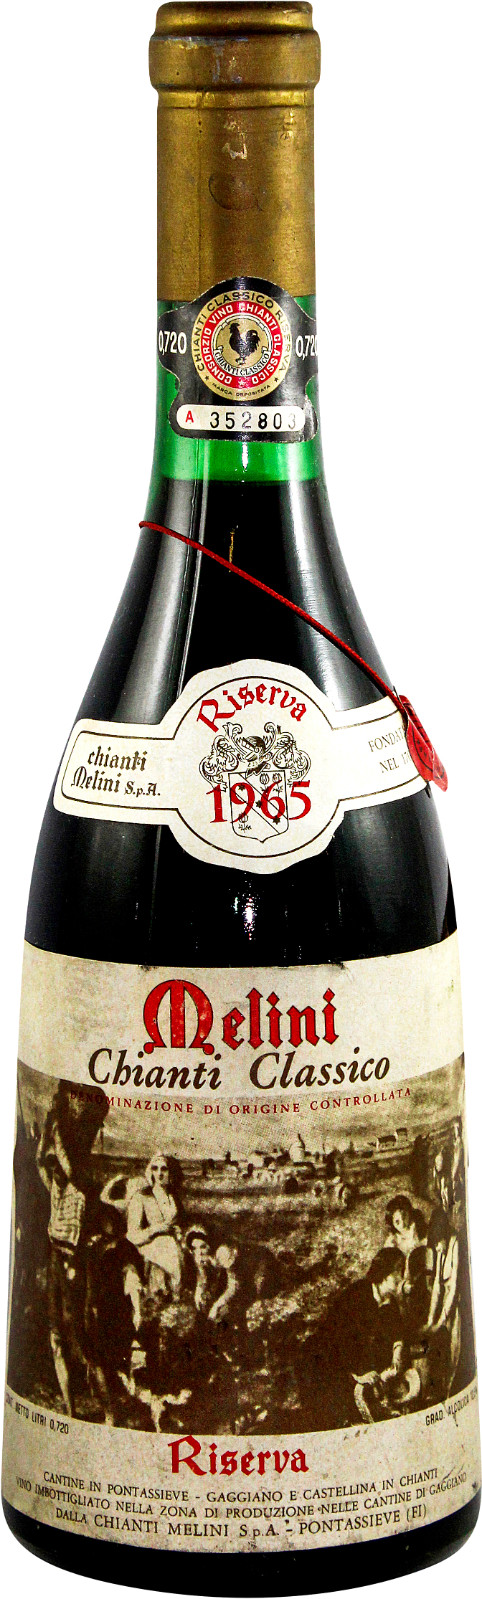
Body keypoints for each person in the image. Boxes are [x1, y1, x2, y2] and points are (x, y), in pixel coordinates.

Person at [36, 1082, 109, 1415]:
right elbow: (44, 1161)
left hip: (75, 1260)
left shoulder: (81, 1178)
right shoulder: (60, 1178)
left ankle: (108, 1411)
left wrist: (54, 1125)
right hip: (58, 1255)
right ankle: (69, 1409)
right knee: (56, 1337)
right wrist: (48, 1132)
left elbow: (63, 1159)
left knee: (81, 1338)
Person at [303, 1248, 406, 1431]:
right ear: (385, 1274)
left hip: (357, 1360)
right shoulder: (357, 1295)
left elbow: (397, 1332)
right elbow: (341, 1340)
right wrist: (360, 1374)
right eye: (398, 1272)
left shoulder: (389, 1302)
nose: (402, 1278)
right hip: (329, 1359)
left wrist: (397, 1353)